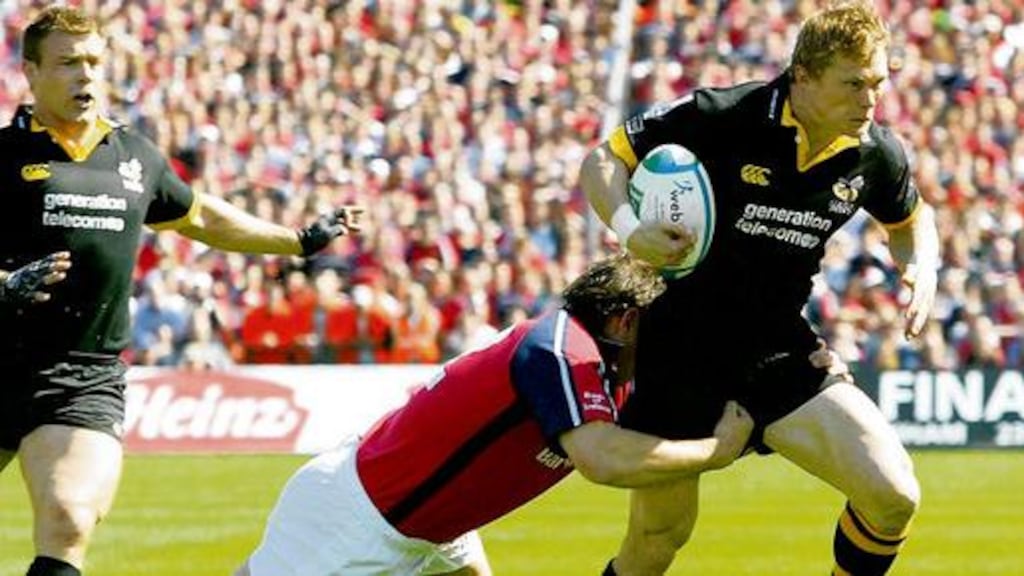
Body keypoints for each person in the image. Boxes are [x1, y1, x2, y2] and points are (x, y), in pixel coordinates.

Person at [578, 2, 940, 575]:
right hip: (678, 348)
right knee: (657, 541)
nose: (870, 100)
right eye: (853, 84)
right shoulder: (725, 114)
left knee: (893, 495)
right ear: (803, 76)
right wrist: (629, 229)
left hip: (775, 348)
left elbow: (912, 219)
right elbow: (604, 159)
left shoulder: (875, 152)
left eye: (878, 83)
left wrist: (924, 265)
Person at [0, 7, 364, 576]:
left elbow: (201, 217)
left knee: (69, 518)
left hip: (81, 376)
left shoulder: (134, 156)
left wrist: (296, 241)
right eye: (69, 63)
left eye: (94, 61)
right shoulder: (1, 156)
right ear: (31, 72)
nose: (86, 75)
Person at [236, 252, 761, 576]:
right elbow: (601, 460)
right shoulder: (563, 348)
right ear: (625, 321)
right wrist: (717, 452)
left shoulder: (596, 362)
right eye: (663, 329)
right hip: (359, 519)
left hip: (429, 525)